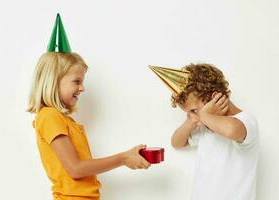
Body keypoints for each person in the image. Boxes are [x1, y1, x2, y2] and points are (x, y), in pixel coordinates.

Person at [27, 14, 150, 200]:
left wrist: (126, 156)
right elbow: (75, 169)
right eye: (76, 81)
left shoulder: (63, 119)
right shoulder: (49, 116)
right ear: (53, 81)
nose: (82, 88)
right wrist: (122, 158)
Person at [149, 63, 259, 200]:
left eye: (194, 110)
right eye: (189, 112)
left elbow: (231, 130)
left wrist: (205, 116)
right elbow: (176, 142)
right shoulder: (205, 128)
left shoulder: (246, 121)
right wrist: (191, 121)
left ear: (215, 98)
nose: (195, 116)